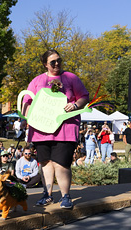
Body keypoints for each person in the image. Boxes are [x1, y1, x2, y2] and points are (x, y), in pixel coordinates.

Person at [21, 49, 89, 208]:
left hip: (65, 128)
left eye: (59, 60)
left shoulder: (71, 78)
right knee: (45, 163)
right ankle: (47, 195)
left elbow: (84, 97)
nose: (57, 64)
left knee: (61, 163)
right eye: (53, 62)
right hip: (40, 129)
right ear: (45, 64)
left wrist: (74, 105)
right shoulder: (37, 80)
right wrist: (25, 118)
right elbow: (27, 100)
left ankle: (65, 196)